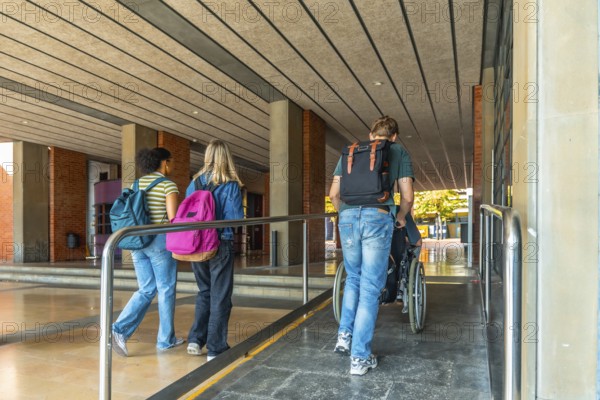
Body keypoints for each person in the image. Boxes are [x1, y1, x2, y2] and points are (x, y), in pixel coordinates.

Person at [329, 116, 414, 376]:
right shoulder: (398, 150)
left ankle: (344, 335)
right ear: (394, 136)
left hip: (347, 218)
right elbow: (407, 196)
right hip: (378, 217)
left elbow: (334, 194)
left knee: (353, 278)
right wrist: (398, 218)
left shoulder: (352, 151)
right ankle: (360, 357)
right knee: (370, 287)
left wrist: (346, 215)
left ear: (370, 134)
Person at [112, 147, 183, 356]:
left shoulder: (136, 184)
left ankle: (118, 330)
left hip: (137, 241)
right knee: (166, 289)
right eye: (172, 161)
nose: (173, 165)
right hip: (159, 241)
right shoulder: (168, 185)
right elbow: (173, 219)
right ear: (165, 163)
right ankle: (165, 340)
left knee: (146, 289)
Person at [186, 139, 244, 361]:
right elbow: (236, 219)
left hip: (196, 245)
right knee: (220, 295)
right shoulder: (230, 185)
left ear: (208, 156)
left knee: (205, 291)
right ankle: (216, 347)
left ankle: (195, 340)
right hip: (220, 243)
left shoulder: (194, 183)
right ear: (227, 157)